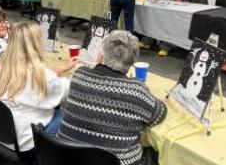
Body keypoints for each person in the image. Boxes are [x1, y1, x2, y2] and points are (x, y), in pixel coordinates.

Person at [58, 30, 167, 165]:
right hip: (116, 161)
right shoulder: (136, 91)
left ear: (101, 54)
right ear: (132, 61)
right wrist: (138, 87)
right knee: (156, 153)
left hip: (68, 158)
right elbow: (160, 114)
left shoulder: (79, 76)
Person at [0, 22, 77, 153]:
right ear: (35, 44)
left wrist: (61, 69)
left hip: (2, 135)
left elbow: (34, 78)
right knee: (69, 116)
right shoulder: (42, 77)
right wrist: (80, 72)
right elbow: (70, 90)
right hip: (28, 143)